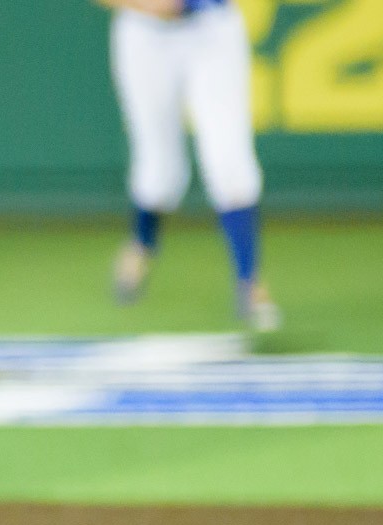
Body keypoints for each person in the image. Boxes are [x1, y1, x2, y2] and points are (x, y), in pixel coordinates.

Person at [100, 0, 282, 330]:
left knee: (229, 160)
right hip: (145, 34)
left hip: (210, 28)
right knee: (159, 170)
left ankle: (250, 281)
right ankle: (141, 245)